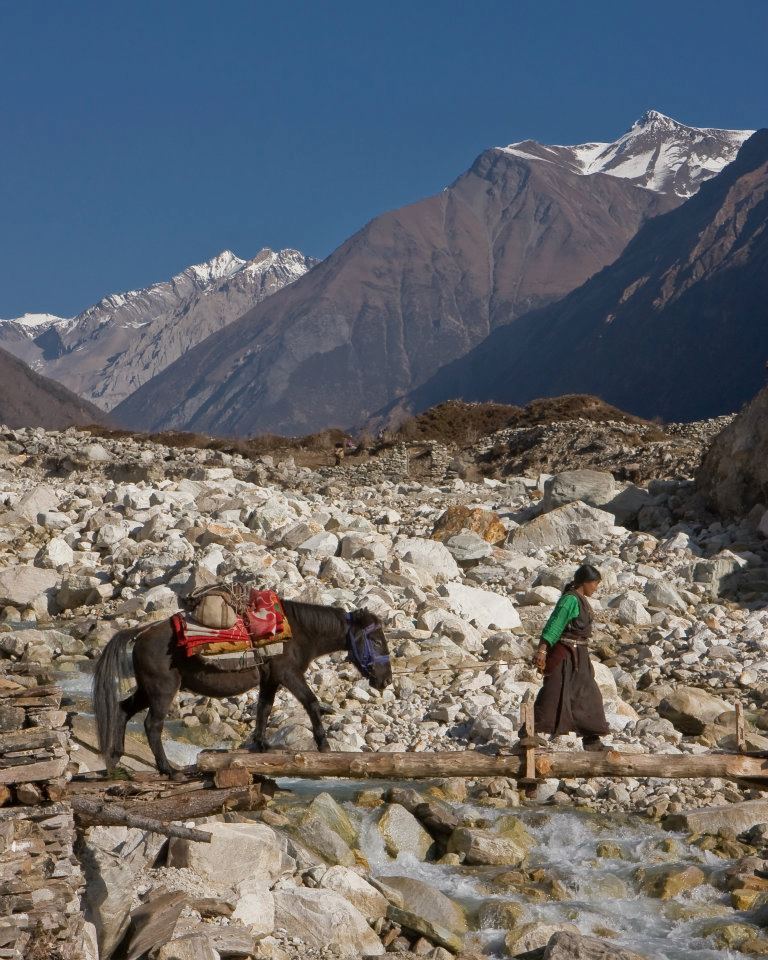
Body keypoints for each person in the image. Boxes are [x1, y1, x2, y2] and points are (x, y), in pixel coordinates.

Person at [528, 563, 610, 751]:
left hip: (579, 657)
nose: (596, 588)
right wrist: (542, 650)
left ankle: (592, 740)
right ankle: (529, 733)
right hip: (564, 654)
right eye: (595, 583)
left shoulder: (581, 599)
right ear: (585, 582)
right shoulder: (570, 600)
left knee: (588, 695)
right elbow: (554, 625)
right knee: (553, 692)